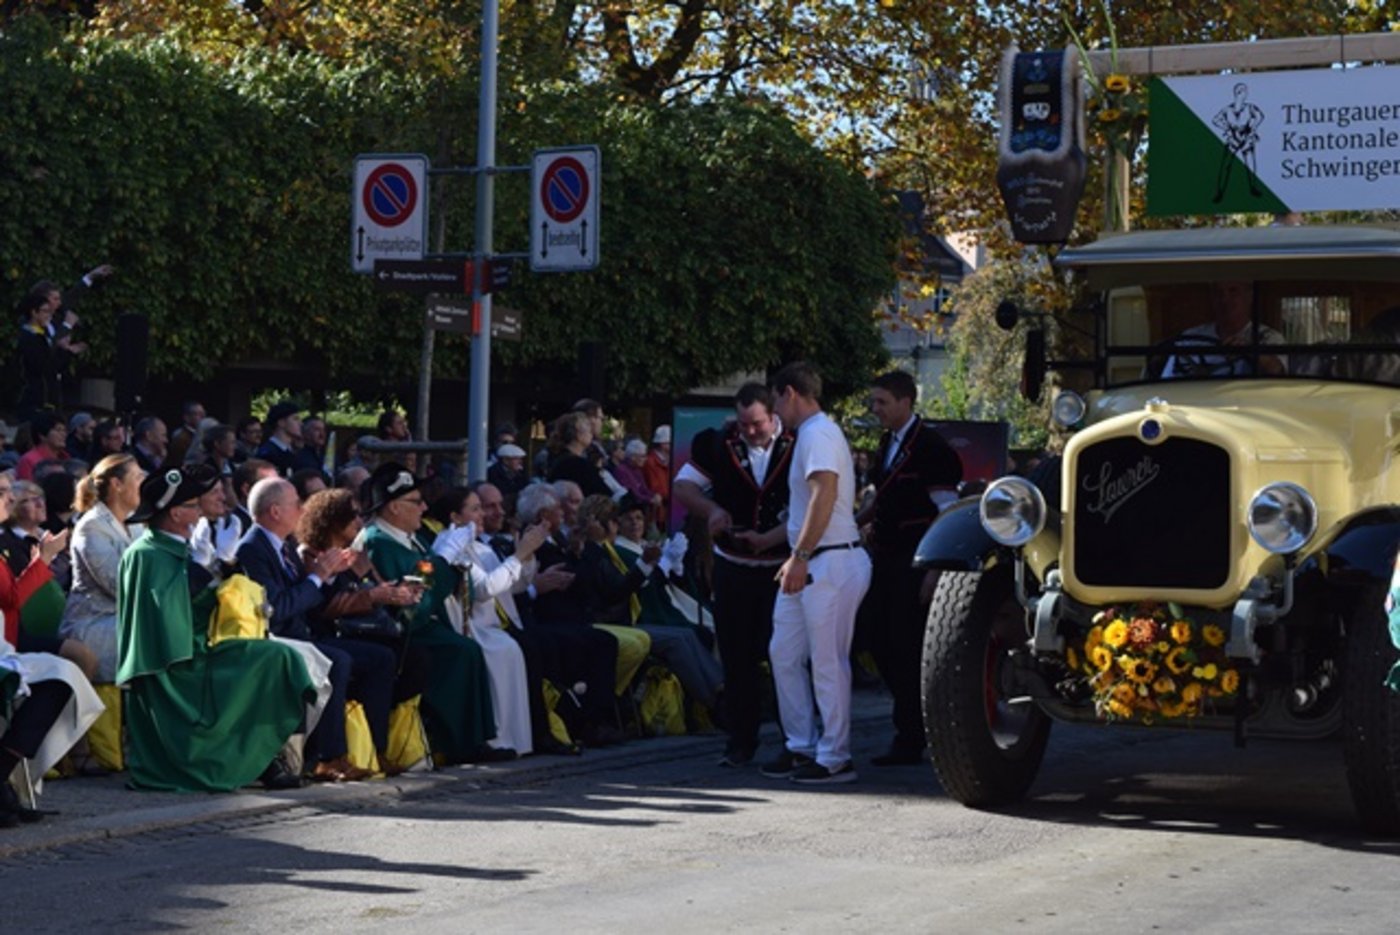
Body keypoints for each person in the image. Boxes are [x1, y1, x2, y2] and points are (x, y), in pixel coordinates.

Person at [116, 465, 316, 792]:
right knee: (267, 662)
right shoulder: (147, 554)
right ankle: (257, 760)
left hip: (199, 646)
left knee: (281, 658)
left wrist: (222, 566)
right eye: (192, 505)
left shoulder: (179, 548)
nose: (200, 511)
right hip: (172, 665)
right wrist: (201, 570)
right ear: (175, 513)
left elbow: (203, 603)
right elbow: (167, 616)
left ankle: (261, 755)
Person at [236, 477, 393, 782]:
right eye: (296, 504)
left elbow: (310, 600)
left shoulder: (284, 546)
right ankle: (327, 758)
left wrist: (330, 575)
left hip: (303, 634)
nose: (303, 509)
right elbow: (277, 608)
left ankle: (376, 750)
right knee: (337, 662)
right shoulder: (252, 549)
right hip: (277, 638)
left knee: (381, 658)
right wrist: (318, 575)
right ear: (275, 511)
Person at [673, 382, 795, 767]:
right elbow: (684, 486)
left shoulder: (798, 443)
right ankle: (741, 741)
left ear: (773, 415)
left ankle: (796, 741)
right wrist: (711, 510)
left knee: (786, 656)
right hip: (734, 564)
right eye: (744, 424)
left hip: (781, 567)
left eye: (757, 423)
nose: (750, 431)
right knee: (737, 656)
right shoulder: (716, 443)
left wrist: (774, 538)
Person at [760, 362, 871, 784]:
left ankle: (835, 757)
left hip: (827, 560)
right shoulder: (814, 433)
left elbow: (824, 492)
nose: (775, 410)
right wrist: (798, 554)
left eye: (775, 400)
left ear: (789, 393)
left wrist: (801, 554)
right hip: (814, 559)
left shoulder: (818, 433)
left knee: (827, 660)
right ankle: (801, 746)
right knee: (784, 653)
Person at [356, 462, 509, 764]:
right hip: (403, 630)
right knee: (460, 651)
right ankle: (452, 743)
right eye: (416, 501)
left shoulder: (410, 537)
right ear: (394, 507)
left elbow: (429, 575)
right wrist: (441, 561)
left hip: (427, 622)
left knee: (469, 648)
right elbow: (414, 596)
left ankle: (471, 740)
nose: (424, 507)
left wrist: (452, 566)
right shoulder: (378, 542)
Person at [855, 370, 963, 766]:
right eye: (874, 401)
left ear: (905, 401)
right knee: (877, 638)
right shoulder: (887, 442)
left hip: (915, 559)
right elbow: (882, 497)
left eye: (882, 402)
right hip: (885, 556)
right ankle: (911, 725)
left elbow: (947, 513)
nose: (875, 409)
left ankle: (913, 735)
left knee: (905, 646)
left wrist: (936, 568)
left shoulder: (932, 448)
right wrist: (854, 523)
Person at [430, 487, 551, 756]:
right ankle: (496, 739)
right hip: (473, 627)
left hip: (494, 624)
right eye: (474, 509)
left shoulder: (481, 547)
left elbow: (513, 585)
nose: (482, 514)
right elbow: (485, 589)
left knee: (519, 647)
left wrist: (526, 554)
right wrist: (518, 555)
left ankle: (519, 739)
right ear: (455, 516)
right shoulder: (449, 546)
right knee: (506, 649)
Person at [1160, 280, 1285, 378]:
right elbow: (1168, 378)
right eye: (1218, 293)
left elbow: (1277, 371)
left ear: (1249, 296)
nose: (1224, 299)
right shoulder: (1189, 339)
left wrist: (1248, 351)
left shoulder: (1268, 337)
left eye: (1233, 291)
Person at [546, 412, 612, 498]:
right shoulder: (577, 464)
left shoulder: (558, 458)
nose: (591, 434)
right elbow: (603, 494)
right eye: (589, 431)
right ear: (578, 435)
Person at [16, 411, 68, 481]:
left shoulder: (66, 458)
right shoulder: (28, 460)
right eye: (58, 430)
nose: (63, 434)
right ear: (42, 435)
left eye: (64, 430)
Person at [255, 401, 303, 476]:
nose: (300, 423)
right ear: (281, 422)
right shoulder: (268, 454)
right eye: (295, 419)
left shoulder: (291, 452)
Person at [643, 425, 672, 526]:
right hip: (659, 510)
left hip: (668, 509)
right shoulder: (650, 462)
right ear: (663, 444)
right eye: (670, 443)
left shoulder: (668, 461)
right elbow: (654, 486)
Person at [486, 443, 530, 508]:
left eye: (521, 459)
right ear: (505, 460)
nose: (520, 462)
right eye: (516, 458)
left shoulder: (521, 474)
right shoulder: (493, 474)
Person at [165, 400, 206, 468]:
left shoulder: (203, 434)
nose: (202, 417)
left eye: (203, 413)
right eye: (197, 414)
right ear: (187, 417)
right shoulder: (180, 438)